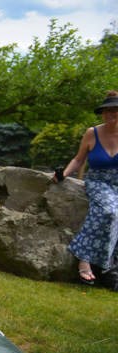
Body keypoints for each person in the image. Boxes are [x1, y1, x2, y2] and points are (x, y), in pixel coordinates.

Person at [55, 90, 118, 287]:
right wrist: (64, 174)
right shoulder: (92, 133)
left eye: (114, 110)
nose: (109, 114)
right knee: (109, 211)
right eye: (105, 111)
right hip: (99, 182)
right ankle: (84, 258)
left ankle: (109, 268)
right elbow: (79, 159)